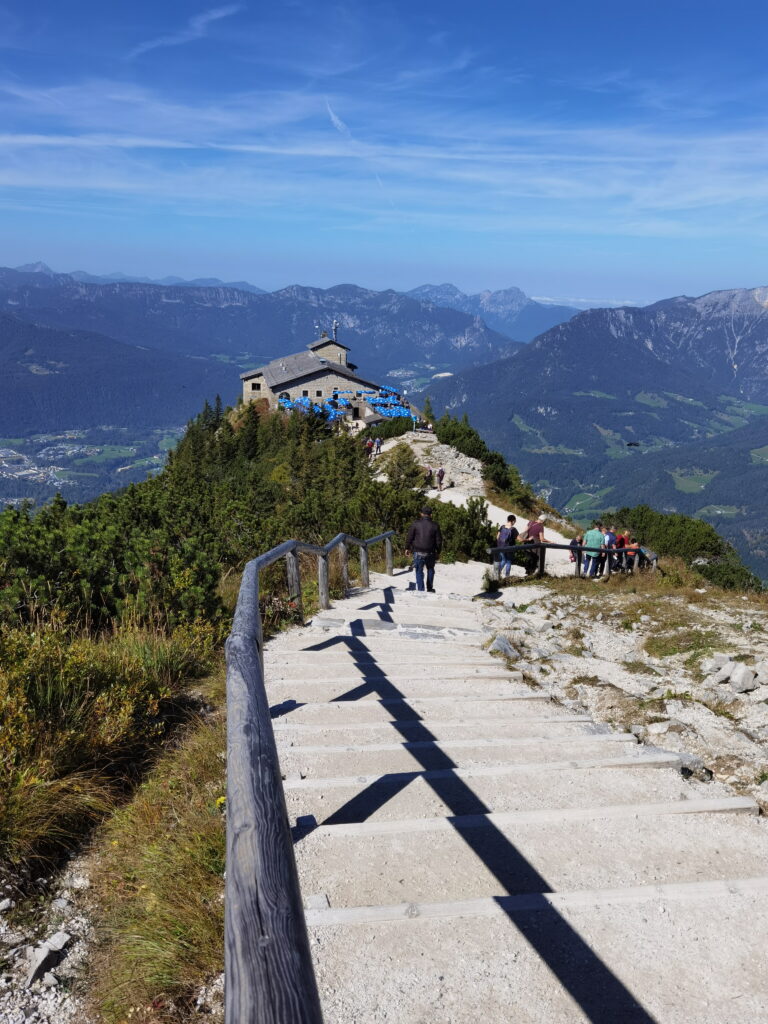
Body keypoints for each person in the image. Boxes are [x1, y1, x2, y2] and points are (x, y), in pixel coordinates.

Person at [405, 507, 443, 592]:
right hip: (431, 552)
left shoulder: (415, 524)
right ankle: (429, 589)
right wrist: (438, 552)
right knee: (430, 569)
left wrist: (407, 548)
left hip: (418, 551)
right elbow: (439, 541)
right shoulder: (435, 525)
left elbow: (409, 537)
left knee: (419, 571)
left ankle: (421, 590)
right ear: (431, 515)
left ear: (421, 514)